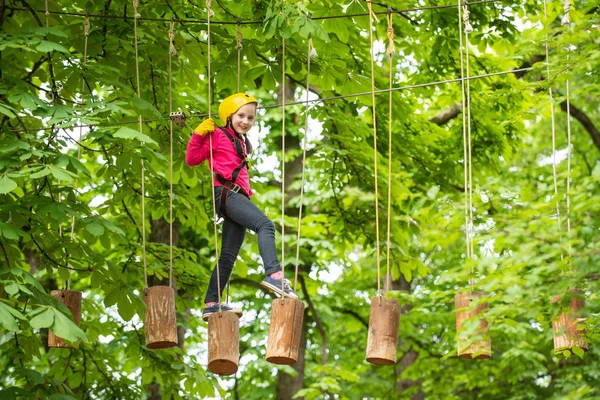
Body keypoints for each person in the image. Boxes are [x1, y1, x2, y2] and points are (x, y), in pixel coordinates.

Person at [186, 93, 297, 320]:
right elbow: (192, 158)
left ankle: (211, 302)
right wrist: (198, 134)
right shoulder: (217, 134)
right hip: (226, 194)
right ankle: (274, 274)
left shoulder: (242, 142)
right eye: (241, 116)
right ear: (228, 115)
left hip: (236, 197)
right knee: (265, 225)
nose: (245, 121)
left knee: (228, 255)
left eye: (250, 118)